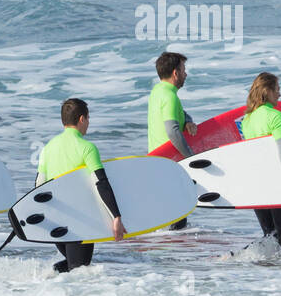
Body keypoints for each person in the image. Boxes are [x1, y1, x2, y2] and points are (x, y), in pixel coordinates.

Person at [36, 98, 127, 273]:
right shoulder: (87, 148)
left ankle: (43, 278)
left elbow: (39, 186)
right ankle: (45, 284)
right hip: (80, 221)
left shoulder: (47, 149)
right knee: (79, 272)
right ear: (81, 119)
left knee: (72, 268)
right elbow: (101, 183)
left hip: (56, 223)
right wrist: (116, 216)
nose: (88, 123)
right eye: (88, 118)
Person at [239, 72, 281, 252]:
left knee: (272, 239)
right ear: (267, 91)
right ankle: (236, 255)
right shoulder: (275, 116)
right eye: (277, 89)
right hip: (277, 186)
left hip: (258, 188)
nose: (280, 94)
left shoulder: (247, 120)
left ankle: (245, 262)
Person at [148, 51, 197, 228]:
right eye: (183, 70)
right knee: (178, 218)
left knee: (171, 216)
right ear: (175, 73)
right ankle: (176, 254)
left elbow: (180, 115)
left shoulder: (157, 92)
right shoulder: (170, 97)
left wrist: (188, 121)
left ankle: (167, 252)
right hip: (170, 165)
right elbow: (172, 130)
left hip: (158, 161)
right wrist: (191, 158)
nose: (186, 74)